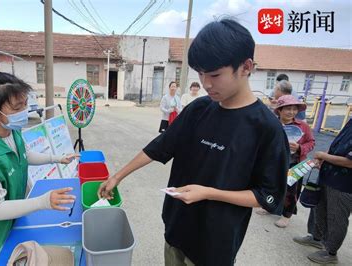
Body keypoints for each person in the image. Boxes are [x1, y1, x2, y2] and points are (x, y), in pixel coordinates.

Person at [98, 18, 289, 265]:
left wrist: (209, 193)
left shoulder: (266, 128)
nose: (206, 83)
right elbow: (161, 146)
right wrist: (118, 176)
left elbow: (268, 196)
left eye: (215, 74)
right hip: (176, 227)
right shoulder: (199, 109)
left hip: (214, 243)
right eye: (200, 73)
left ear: (246, 67)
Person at [0, 72, 78, 265]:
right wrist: (43, 201)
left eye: (26, 104)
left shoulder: (10, 128)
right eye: (18, 107)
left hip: (11, 223)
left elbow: (24, 154)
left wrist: (57, 158)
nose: (25, 111)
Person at [293, 119, 352, 264]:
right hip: (328, 174)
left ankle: (331, 253)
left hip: (344, 184)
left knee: (336, 217)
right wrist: (323, 157)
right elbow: (336, 144)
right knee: (318, 208)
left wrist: (323, 156)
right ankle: (316, 238)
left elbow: (350, 161)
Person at [274, 95, 315, 228]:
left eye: (294, 109)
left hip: (295, 163)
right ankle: (270, 206)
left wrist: (300, 147)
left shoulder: (303, 126)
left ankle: (286, 215)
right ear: (279, 110)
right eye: (288, 109)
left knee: (292, 191)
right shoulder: (272, 124)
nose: (292, 112)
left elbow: (311, 142)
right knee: (273, 185)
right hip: (276, 163)